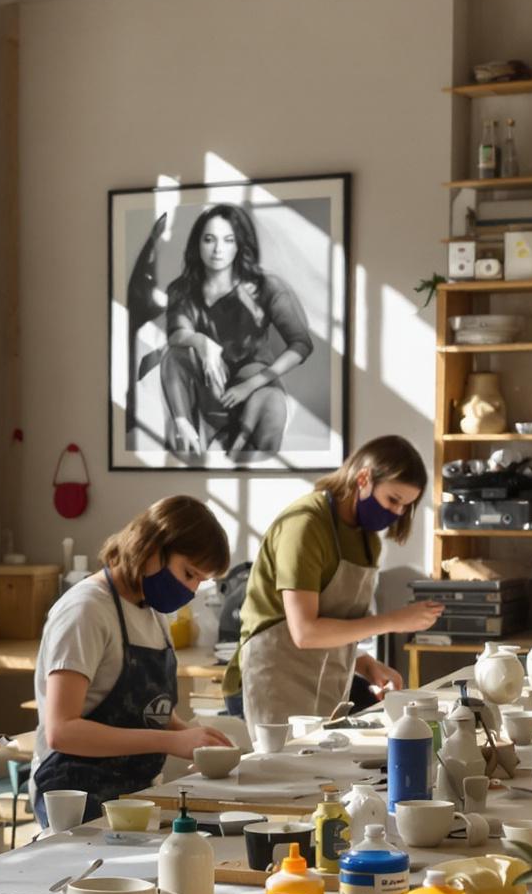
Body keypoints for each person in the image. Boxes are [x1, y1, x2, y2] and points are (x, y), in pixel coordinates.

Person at [32, 497, 233, 822]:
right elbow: (61, 730)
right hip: (77, 796)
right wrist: (172, 741)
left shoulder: (149, 611)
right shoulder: (86, 610)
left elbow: (148, 712)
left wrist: (197, 740)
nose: (192, 590)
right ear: (153, 548)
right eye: (189, 574)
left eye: (200, 581)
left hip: (132, 795)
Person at [228, 434, 440, 729]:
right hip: (276, 678)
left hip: (329, 681)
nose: (396, 513)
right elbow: (305, 633)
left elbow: (337, 624)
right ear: (364, 477)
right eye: (393, 500)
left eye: (405, 507)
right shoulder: (305, 525)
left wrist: (366, 665)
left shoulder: (367, 540)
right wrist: (394, 621)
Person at [159, 205, 317, 458]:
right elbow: (177, 333)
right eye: (209, 239)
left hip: (255, 388)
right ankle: (185, 425)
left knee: (263, 395)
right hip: (209, 390)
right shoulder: (182, 289)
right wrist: (203, 342)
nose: (217, 249)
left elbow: (301, 344)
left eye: (228, 240)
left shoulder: (266, 287)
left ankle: (245, 444)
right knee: (174, 355)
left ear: (239, 244)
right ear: (197, 244)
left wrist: (253, 384)